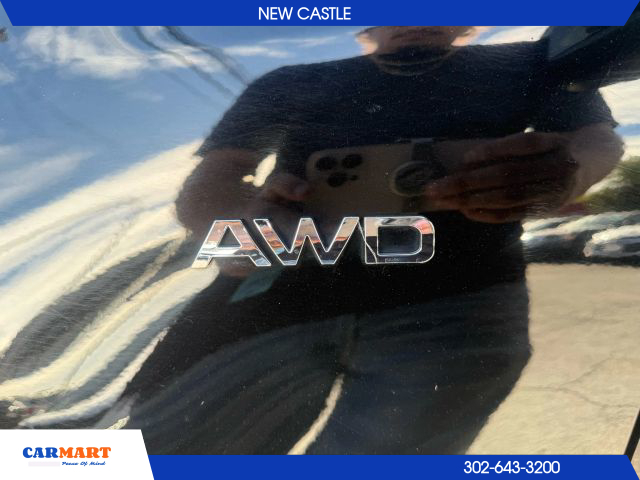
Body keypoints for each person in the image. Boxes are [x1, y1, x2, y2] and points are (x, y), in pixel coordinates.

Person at [116, 26, 623, 453]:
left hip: (454, 299)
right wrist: (238, 225)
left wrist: (567, 173)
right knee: (161, 453)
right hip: (280, 294)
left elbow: (597, 138)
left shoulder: (530, 61)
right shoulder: (289, 80)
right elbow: (212, 179)